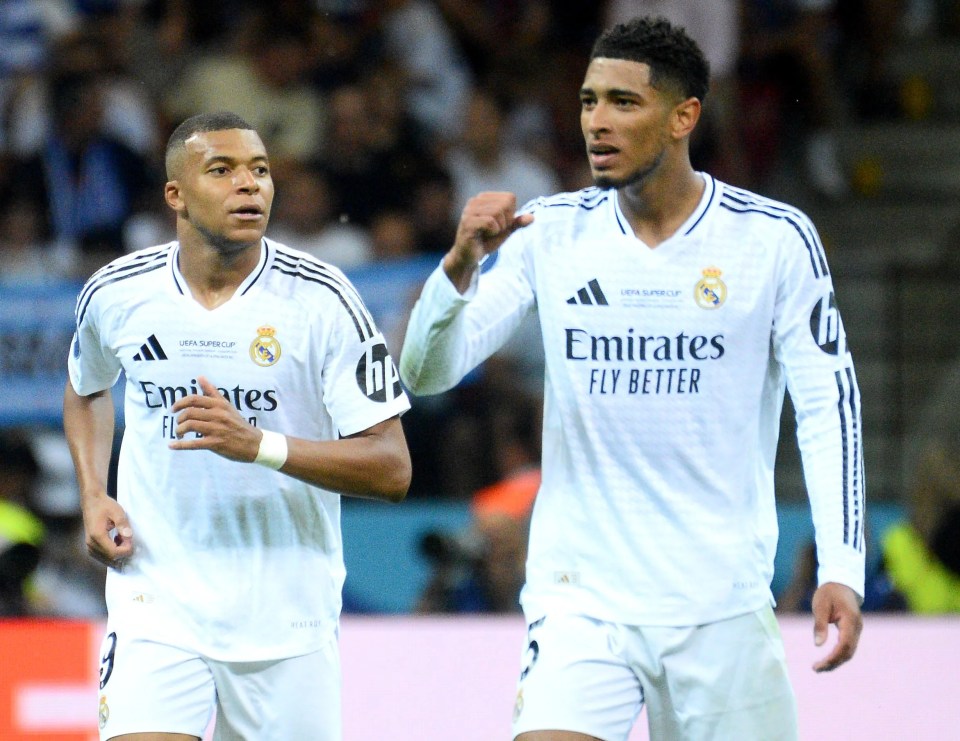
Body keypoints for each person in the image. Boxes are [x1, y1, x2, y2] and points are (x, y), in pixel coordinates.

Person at [399, 16, 864, 741]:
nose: (596, 122)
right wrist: (457, 268)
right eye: (588, 101)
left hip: (719, 605)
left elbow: (827, 406)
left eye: (623, 101)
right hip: (581, 601)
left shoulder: (771, 239)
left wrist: (842, 563)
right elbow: (426, 373)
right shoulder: (547, 232)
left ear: (684, 117)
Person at [63, 111, 411, 741]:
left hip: (287, 616)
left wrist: (260, 446)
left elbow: (392, 467)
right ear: (175, 195)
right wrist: (93, 491)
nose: (248, 185)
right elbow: (86, 390)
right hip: (156, 600)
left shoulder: (324, 301)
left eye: (259, 171)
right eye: (221, 170)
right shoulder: (116, 293)